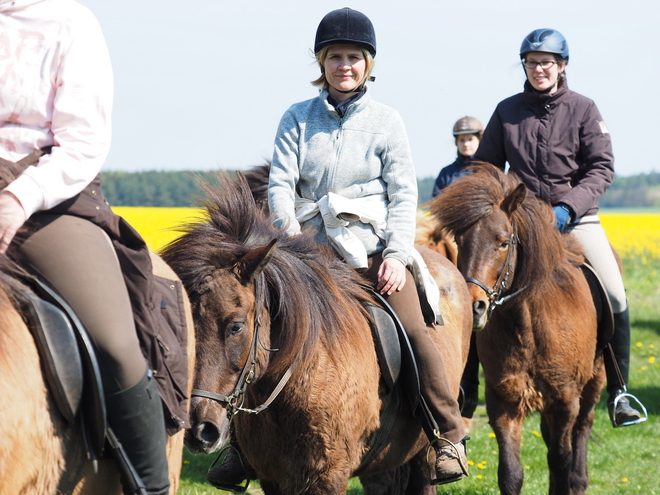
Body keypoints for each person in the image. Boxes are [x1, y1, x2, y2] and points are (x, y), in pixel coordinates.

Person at [207, 7, 469, 491]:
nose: (343, 66)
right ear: (321, 63)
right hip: (305, 249)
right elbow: (281, 185)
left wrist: (394, 253)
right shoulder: (296, 117)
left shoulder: (388, 122)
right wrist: (288, 240)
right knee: (258, 329)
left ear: (367, 63)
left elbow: (404, 193)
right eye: (334, 57)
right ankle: (242, 446)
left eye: (353, 57)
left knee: (413, 328)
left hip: (371, 249)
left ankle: (446, 432)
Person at [0, 1, 170, 493]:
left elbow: (83, 142)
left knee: (114, 343)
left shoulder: (70, 22)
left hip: (43, 196)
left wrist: (18, 197)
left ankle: (149, 486)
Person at [474, 28, 646, 428]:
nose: (539, 69)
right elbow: (484, 167)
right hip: (521, 225)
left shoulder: (584, 109)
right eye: (532, 63)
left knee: (616, 295)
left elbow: (601, 167)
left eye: (547, 62)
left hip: (575, 221)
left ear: (562, 66)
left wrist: (568, 208)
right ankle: (464, 387)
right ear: (525, 67)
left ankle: (620, 391)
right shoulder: (506, 110)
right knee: (474, 290)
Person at [431, 116, 484, 198]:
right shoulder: (446, 173)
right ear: (456, 142)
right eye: (462, 140)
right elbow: (435, 202)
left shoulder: (487, 171)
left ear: (479, 140)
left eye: (470, 139)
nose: (466, 144)